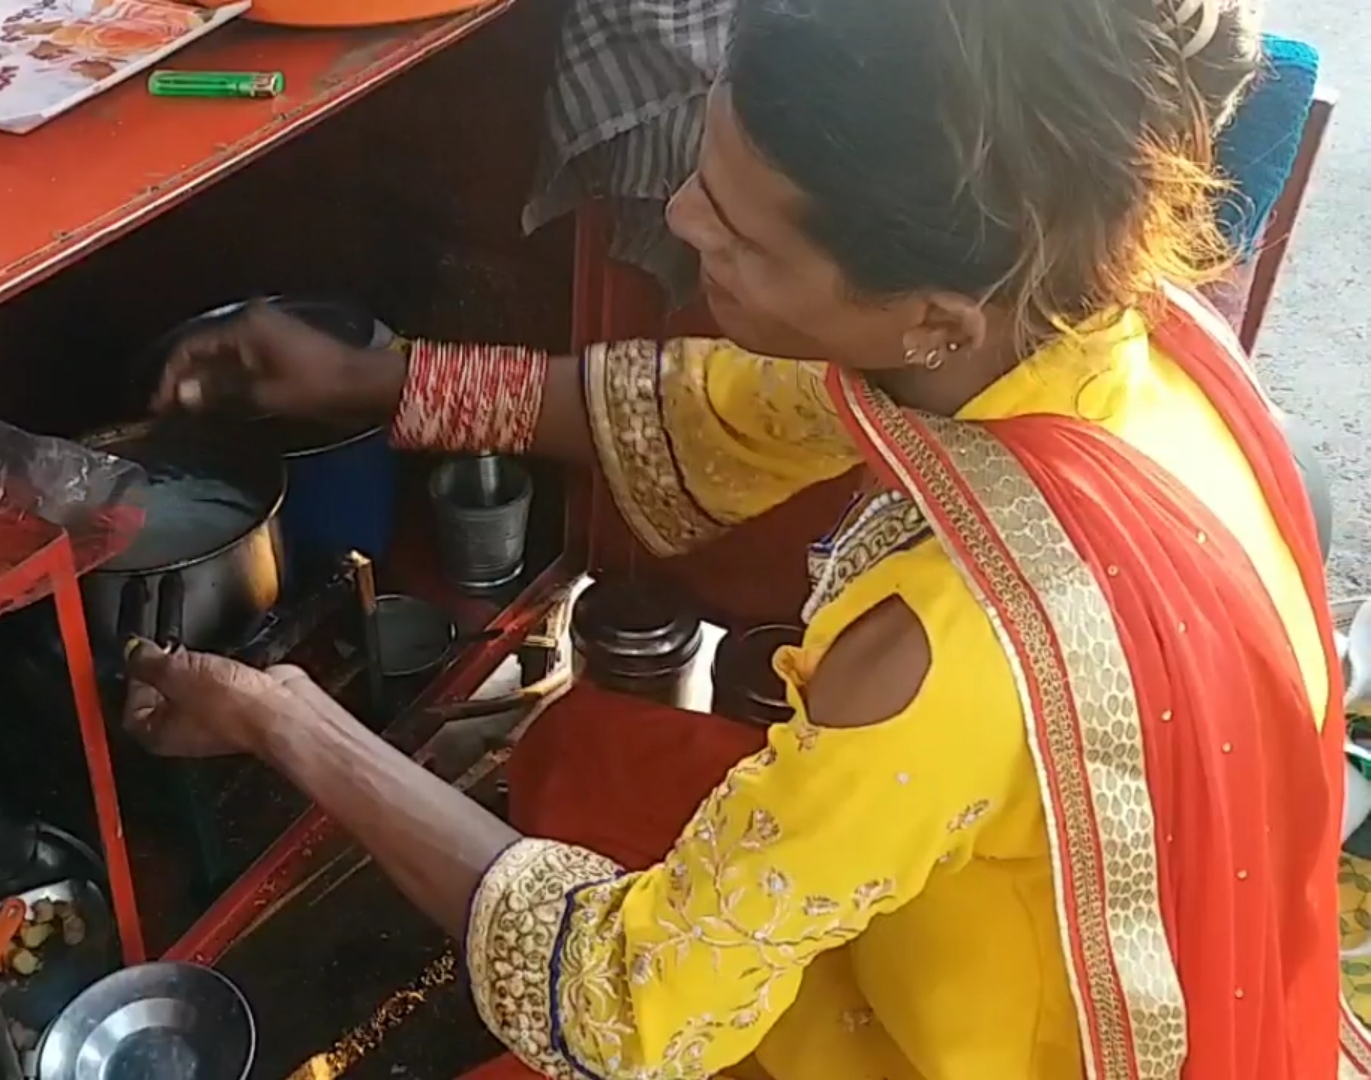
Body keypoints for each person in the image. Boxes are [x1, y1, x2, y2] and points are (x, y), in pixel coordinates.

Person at [127, 0, 1362, 1076]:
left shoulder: (936, 660)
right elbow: (721, 404)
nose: (677, 215)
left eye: (737, 227)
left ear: (922, 316)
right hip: (1107, 955)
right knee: (593, 753)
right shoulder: (1105, 333)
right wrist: (386, 382)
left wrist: (281, 718)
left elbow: (624, 1008)